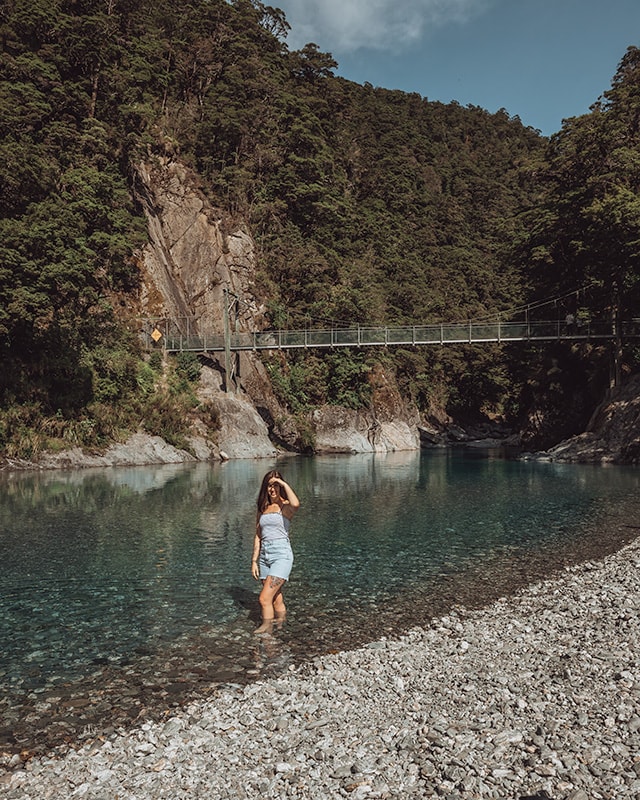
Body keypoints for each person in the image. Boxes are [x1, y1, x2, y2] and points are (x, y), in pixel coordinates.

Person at [251, 470, 300, 634]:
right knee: (276, 597)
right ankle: (280, 626)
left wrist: (283, 484)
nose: (272, 489)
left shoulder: (285, 506)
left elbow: (296, 504)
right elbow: (258, 535)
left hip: (281, 555)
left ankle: (267, 628)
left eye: (275, 485)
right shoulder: (263, 508)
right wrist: (254, 561)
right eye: (269, 486)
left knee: (264, 598)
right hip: (265, 557)